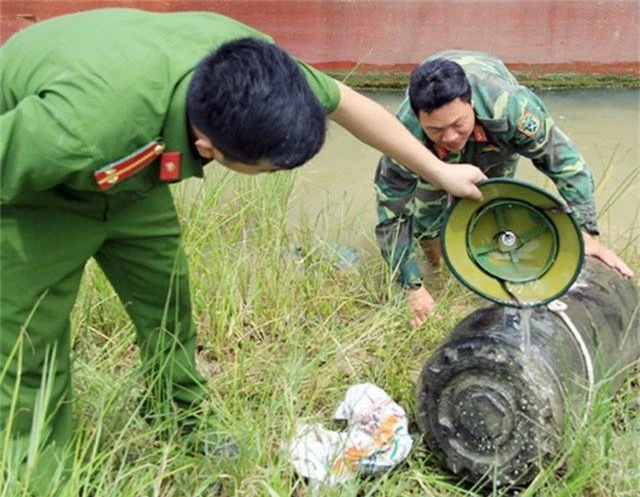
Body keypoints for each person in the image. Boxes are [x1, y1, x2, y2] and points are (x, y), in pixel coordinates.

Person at [0, 9, 487, 493]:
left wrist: (438, 171)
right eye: (270, 168)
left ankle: (179, 418)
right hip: (36, 190)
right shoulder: (73, 132)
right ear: (209, 146)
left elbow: (348, 104)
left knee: (167, 302)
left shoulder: (255, 66)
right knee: (29, 344)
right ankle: (37, 473)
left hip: (131, 173)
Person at [374, 50, 634, 329]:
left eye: (457, 124)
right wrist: (412, 286)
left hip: (492, 131)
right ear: (419, 118)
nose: (449, 137)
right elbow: (392, 207)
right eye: (437, 129)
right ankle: (441, 271)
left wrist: (587, 233)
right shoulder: (405, 134)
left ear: (470, 103)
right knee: (427, 218)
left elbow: (566, 164)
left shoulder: (511, 108)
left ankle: (496, 268)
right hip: (430, 150)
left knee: (494, 200)